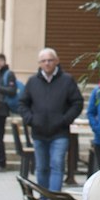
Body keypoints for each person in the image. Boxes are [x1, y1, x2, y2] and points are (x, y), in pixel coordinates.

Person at [19, 48, 83, 192]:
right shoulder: (32, 81)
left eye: (50, 60)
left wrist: (65, 119)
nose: (47, 63)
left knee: (57, 164)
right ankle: (44, 198)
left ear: (57, 61)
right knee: (41, 167)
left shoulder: (67, 80)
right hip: (38, 133)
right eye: (43, 61)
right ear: (39, 63)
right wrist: (30, 119)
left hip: (59, 132)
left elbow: (77, 103)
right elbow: (22, 103)